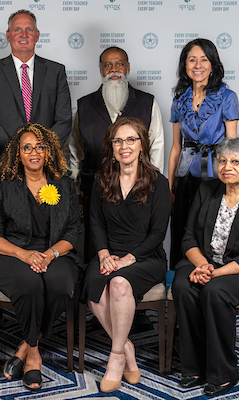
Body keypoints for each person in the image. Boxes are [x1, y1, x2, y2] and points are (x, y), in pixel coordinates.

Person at [172, 137, 239, 397]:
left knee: (215, 291)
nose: (227, 167)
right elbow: (188, 237)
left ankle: (223, 372)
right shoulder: (206, 190)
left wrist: (216, 272)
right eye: (222, 161)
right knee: (183, 286)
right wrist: (203, 265)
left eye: (235, 161)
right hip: (204, 261)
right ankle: (193, 367)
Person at [0, 123, 82, 391]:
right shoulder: (3, 185)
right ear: (18, 153)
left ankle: (24, 346)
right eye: (27, 148)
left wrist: (49, 254)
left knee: (61, 285)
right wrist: (24, 255)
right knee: (29, 285)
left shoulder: (65, 184)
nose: (34, 152)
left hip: (54, 252)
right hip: (11, 253)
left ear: (49, 151)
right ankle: (34, 357)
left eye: (40, 146)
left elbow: (74, 231)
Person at [81, 117, 171, 393]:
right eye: (118, 140)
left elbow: (158, 233)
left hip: (146, 257)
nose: (124, 146)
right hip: (110, 253)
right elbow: (94, 221)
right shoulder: (102, 179)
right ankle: (127, 348)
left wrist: (129, 258)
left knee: (119, 284)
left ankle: (116, 358)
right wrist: (105, 253)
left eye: (131, 139)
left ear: (142, 144)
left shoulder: (159, 182)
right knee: (93, 283)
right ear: (111, 146)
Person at [68, 46, 164, 262]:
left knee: (135, 250)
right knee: (96, 251)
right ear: (100, 69)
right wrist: (74, 187)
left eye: (119, 63)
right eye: (107, 65)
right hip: (95, 191)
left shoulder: (148, 102)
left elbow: (156, 145)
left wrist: (153, 184)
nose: (114, 69)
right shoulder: (84, 105)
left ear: (128, 68)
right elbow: (75, 150)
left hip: (138, 190)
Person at [0, 9, 72, 191]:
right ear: (8, 35)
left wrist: (40, 152)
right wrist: (17, 152)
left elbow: (64, 120)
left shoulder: (56, 71)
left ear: (37, 35)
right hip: (1, 165)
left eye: (29, 30)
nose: (23, 35)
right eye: (17, 30)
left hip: (47, 167)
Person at [168, 38, 239, 270]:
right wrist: (170, 188)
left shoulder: (227, 97)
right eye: (192, 60)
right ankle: (180, 279)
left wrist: (232, 183)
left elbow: (231, 145)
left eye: (204, 59)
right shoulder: (179, 100)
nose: (198, 65)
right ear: (185, 65)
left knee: (210, 228)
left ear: (212, 65)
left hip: (215, 174)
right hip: (186, 174)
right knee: (182, 227)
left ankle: (211, 276)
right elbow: (176, 148)